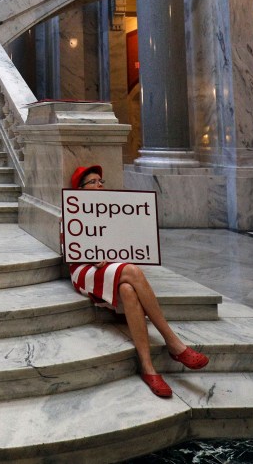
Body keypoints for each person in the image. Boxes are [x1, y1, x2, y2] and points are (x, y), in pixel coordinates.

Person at [66, 164, 209, 398]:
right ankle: (172, 341)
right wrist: (91, 256)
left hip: (113, 267)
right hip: (84, 271)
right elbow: (69, 248)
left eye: (101, 181)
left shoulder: (114, 211)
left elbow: (126, 241)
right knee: (131, 272)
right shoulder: (71, 211)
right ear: (80, 189)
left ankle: (148, 368)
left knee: (128, 290)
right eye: (93, 182)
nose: (100, 185)